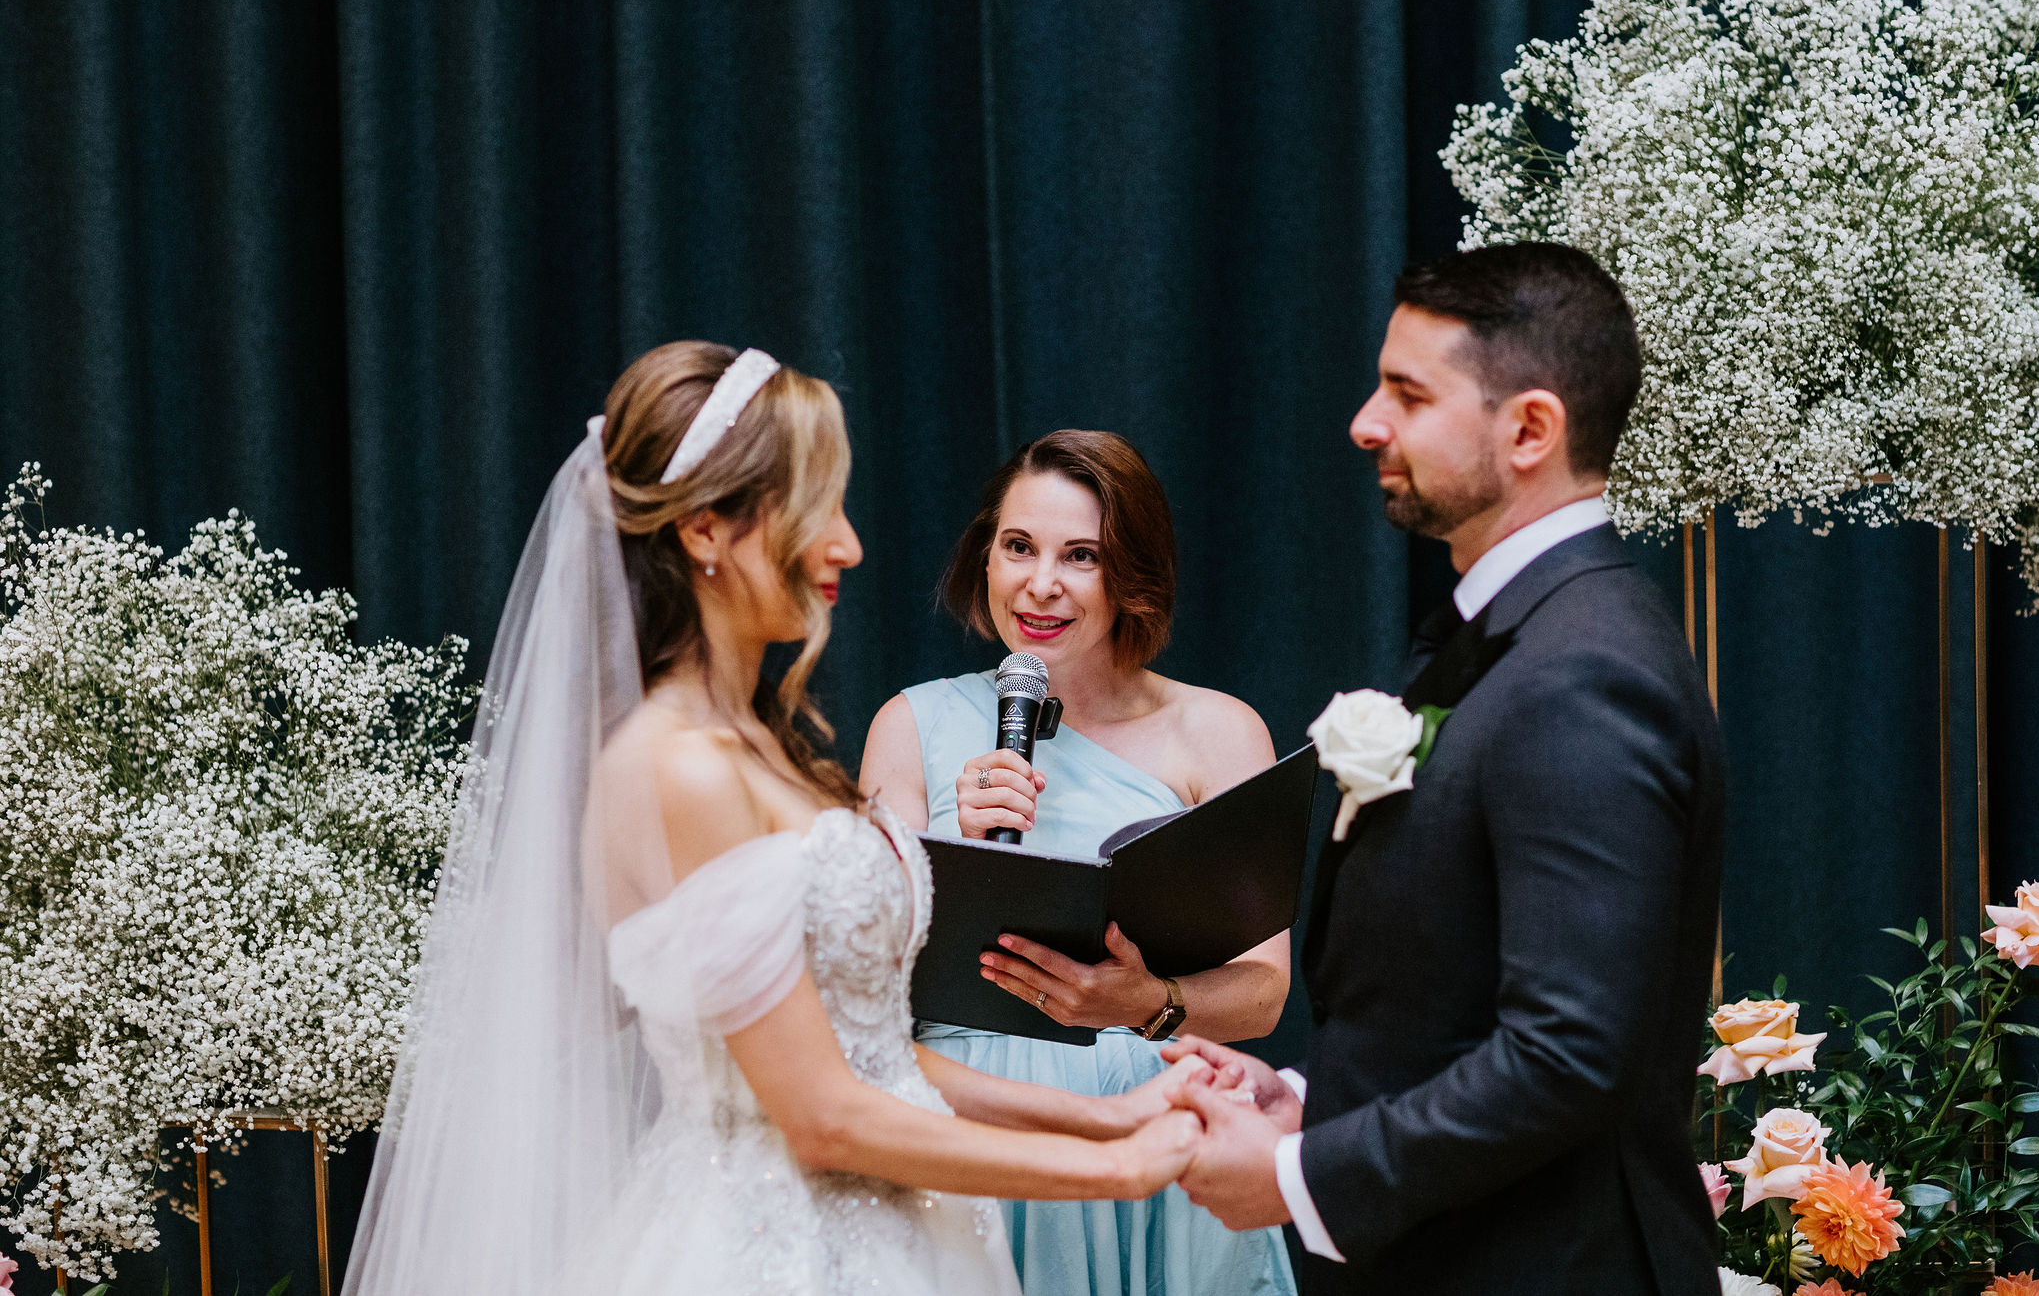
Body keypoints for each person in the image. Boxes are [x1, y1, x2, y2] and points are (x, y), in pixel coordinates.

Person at [340, 344, 1211, 1296]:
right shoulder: (678, 765)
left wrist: (1109, 1118)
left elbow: (870, 1054)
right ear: (707, 531)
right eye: (817, 508)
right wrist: (1119, 1171)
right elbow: (823, 1115)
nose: (847, 545)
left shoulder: (761, 742)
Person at [1157, 244, 1725, 1295]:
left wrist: (1299, 1174)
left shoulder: (1583, 673)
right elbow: (1443, 997)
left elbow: (1566, 1057)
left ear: (1528, 431)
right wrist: (1306, 1099)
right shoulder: (1515, 636)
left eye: (1406, 395)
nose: (1364, 423)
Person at [861, 429, 1299, 1296]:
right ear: (984, 556)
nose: (1042, 583)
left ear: (1130, 573)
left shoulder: (1219, 732)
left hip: (1156, 1131)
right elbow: (862, 990)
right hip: (975, 1135)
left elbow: (1264, 992)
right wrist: (960, 865)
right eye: (1018, 546)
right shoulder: (908, 727)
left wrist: (1148, 1003)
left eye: (1082, 555)